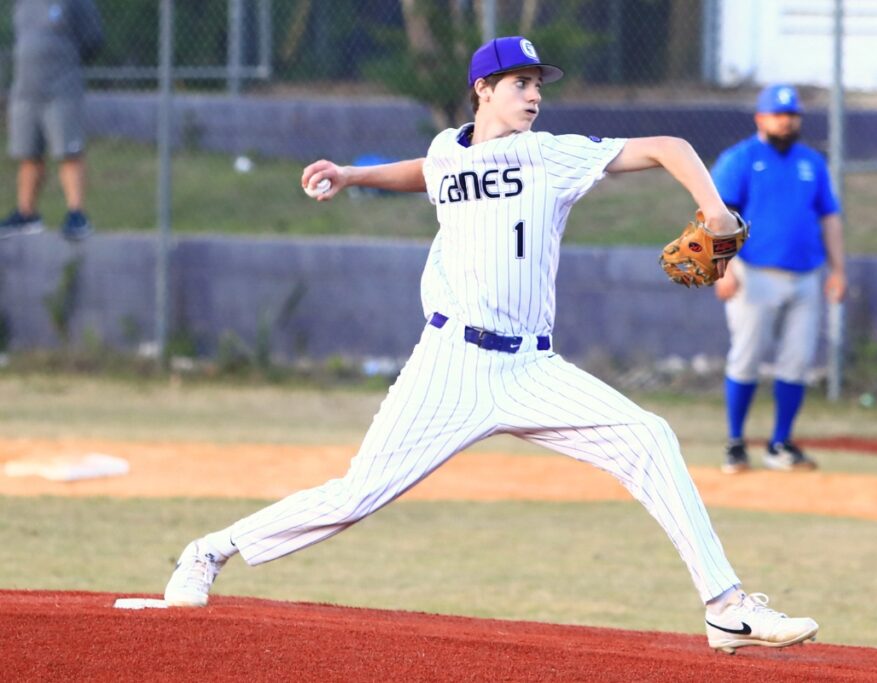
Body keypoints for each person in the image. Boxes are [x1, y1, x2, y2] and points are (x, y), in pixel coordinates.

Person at [164, 37, 819, 654]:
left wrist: (715, 211)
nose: (533, 95)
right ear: (482, 89)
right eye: (519, 83)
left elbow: (670, 145)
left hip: (530, 365)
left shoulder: (551, 154)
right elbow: (429, 170)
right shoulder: (449, 149)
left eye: (537, 84)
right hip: (451, 363)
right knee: (354, 495)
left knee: (651, 438)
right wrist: (353, 177)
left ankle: (726, 605)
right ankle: (210, 550)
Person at [710, 85, 846, 474]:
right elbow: (717, 216)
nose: (786, 120)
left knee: (797, 362)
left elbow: (830, 218)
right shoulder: (740, 159)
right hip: (753, 273)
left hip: (806, 275)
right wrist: (725, 268)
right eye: (778, 114)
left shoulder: (811, 162)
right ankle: (735, 443)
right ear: (761, 118)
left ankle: (780, 444)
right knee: (747, 357)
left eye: (792, 114)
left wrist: (838, 270)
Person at [0, 0, 104, 241]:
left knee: (69, 152)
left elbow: (93, 40)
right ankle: (27, 213)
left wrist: (63, 59)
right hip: (26, 90)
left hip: (62, 88)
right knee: (28, 155)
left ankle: (76, 214)